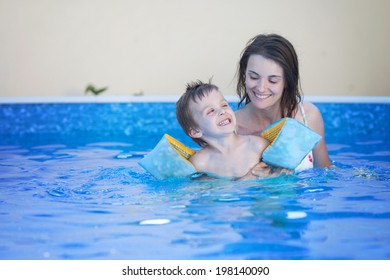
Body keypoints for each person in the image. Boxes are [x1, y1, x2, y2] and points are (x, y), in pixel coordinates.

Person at [235, 33, 331, 174]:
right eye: (254, 77)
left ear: (287, 81)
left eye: (273, 80)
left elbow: (326, 172)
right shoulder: (230, 127)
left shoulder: (308, 117)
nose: (261, 88)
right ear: (244, 75)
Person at [176, 80, 283, 180]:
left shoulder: (257, 146)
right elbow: (202, 193)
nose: (222, 111)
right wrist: (247, 178)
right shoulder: (200, 163)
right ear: (195, 131)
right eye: (211, 111)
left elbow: (283, 173)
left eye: (224, 105)